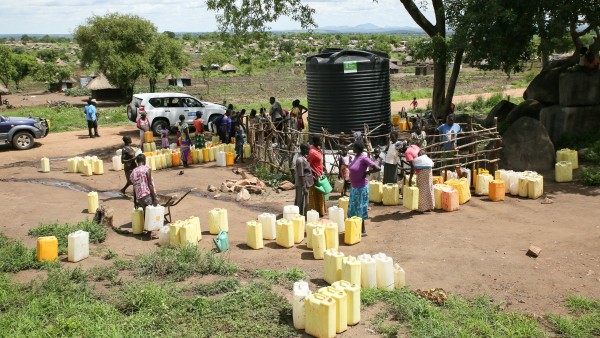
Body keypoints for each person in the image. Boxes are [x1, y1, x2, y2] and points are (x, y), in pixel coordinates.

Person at [348, 140, 380, 236]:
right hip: (354, 187)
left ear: (358, 148)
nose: (352, 148)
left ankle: (363, 230)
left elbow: (377, 168)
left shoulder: (363, 158)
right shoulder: (356, 157)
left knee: (359, 209)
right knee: (353, 208)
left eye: (354, 147)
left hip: (361, 188)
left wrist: (366, 173)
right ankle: (355, 227)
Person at [402, 141, 434, 212]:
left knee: (421, 189)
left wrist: (410, 179)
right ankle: (429, 206)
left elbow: (412, 167)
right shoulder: (413, 146)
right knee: (428, 187)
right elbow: (422, 153)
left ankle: (421, 208)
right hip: (429, 167)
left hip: (422, 170)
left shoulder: (407, 152)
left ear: (402, 148)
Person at [307, 136, 326, 216]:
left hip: (320, 175)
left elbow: (319, 161)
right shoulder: (312, 152)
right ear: (315, 141)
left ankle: (321, 211)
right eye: (320, 140)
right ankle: (314, 212)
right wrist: (314, 173)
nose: (322, 142)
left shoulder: (317, 148)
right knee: (315, 194)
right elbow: (307, 164)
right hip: (315, 176)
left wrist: (323, 168)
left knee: (321, 193)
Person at [295, 143, 314, 217]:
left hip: (306, 183)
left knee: (305, 200)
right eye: (308, 149)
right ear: (304, 150)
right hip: (302, 184)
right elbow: (301, 174)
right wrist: (304, 187)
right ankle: (299, 216)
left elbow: (307, 169)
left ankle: (303, 215)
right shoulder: (300, 160)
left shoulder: (304, 158)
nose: (309, 151)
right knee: (300, 201)